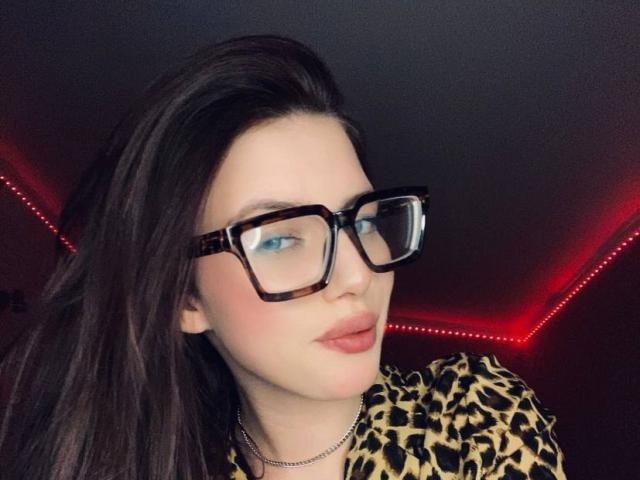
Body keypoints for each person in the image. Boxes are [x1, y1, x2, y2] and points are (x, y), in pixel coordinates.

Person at [0, 34, 566, 479]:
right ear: (185, 300)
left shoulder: (472, 419)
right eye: (278, 238)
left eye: (364, 220)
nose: (358, 273)